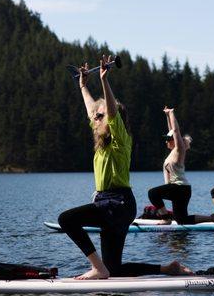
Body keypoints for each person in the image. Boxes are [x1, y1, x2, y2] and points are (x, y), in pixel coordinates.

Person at [58, 55, 191, 279]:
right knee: (115, 270)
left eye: (99, 116)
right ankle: (169, 269)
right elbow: (93, 108)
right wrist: (82, 85)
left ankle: (97, 269)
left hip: (117, 203)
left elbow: (109, 112)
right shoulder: (100, 138)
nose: (94, 118)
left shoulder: (120, 138)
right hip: (111, 204)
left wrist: (104, 80)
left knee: (66, 219)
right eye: (96, 116)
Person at [147, 107, 214, 225]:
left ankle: (166, 218)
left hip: (179, 188)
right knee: (181, 220)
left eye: (168, 139)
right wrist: (167, 115)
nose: (166, 141)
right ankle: (211, 218)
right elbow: (172, 130)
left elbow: (175, 131)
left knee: (152, 193)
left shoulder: (179, 150)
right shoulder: (173, 151)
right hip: (181, 190)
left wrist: (172, 113)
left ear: (175, 141)